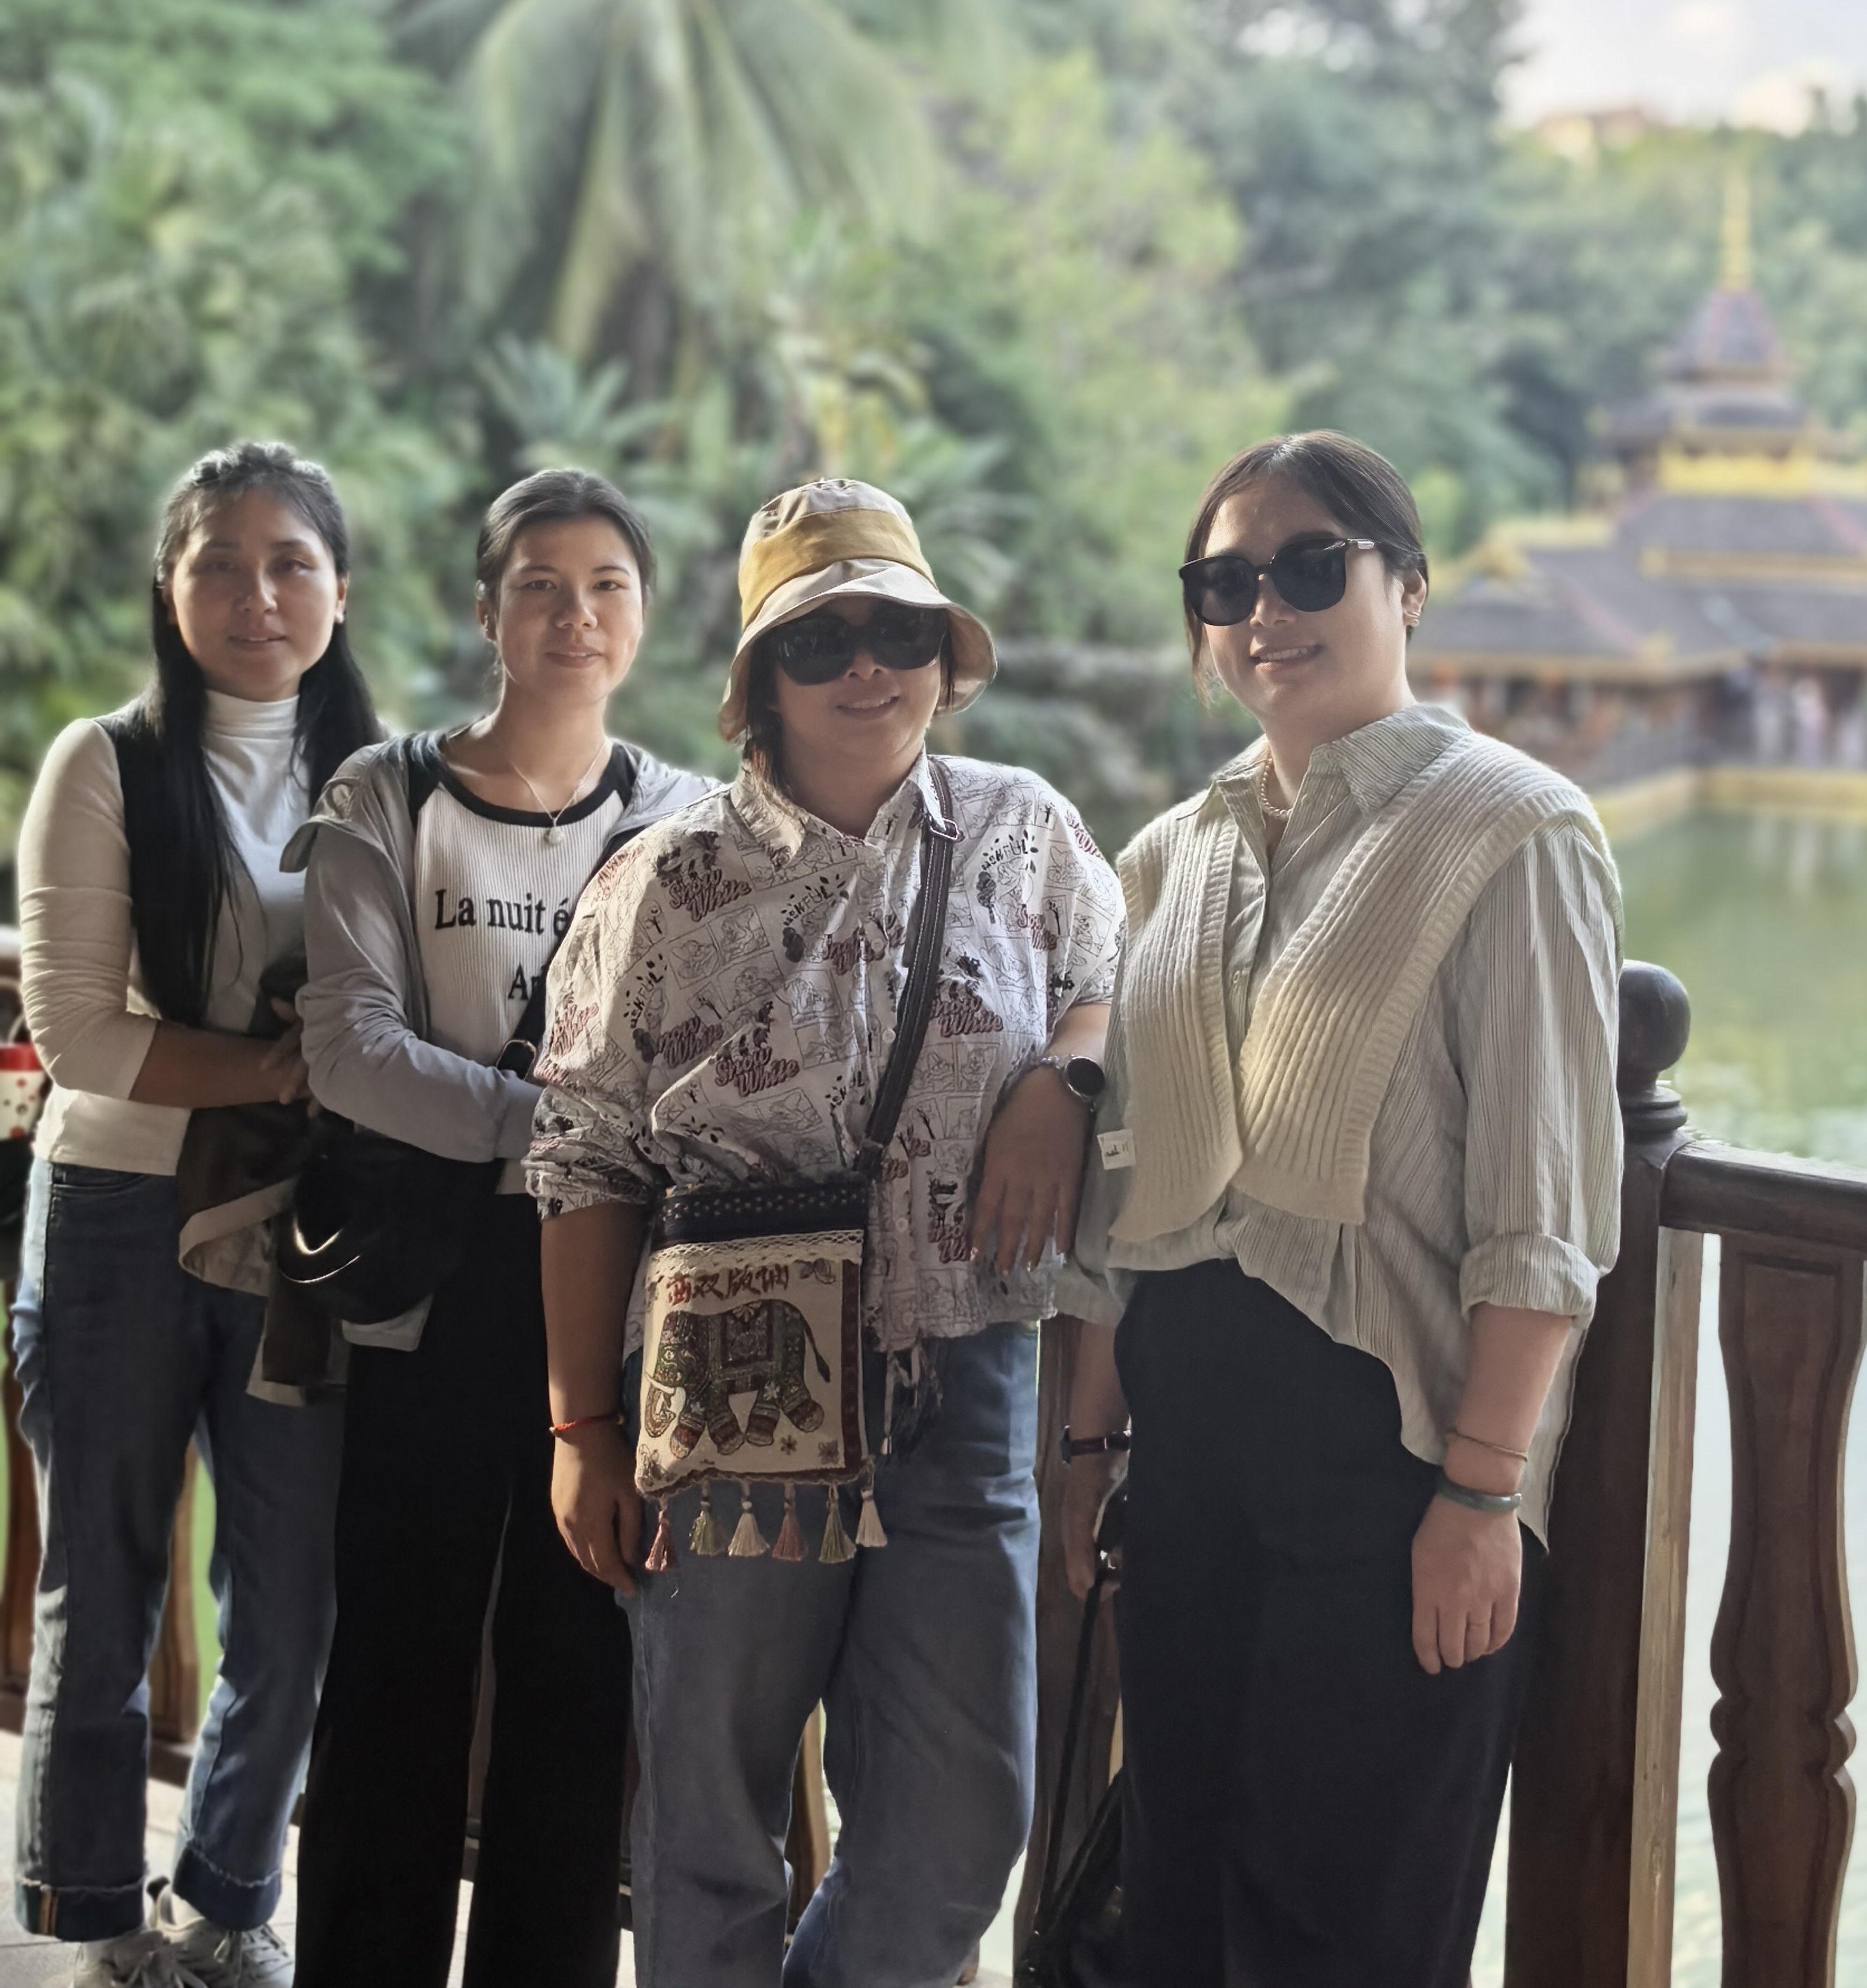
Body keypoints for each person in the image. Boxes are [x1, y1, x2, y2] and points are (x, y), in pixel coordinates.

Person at [528, 477, 1123, 1988]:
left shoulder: (1027, 829)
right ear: (762, 679)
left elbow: (1110, 981)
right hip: (737, 1385)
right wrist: (581, 1423)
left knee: (962, 1826)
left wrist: (1065, 1076)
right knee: (710, 1819)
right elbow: (584, 1158)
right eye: (821, 638)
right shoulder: (663, 879)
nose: (868, 664)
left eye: (900, 630)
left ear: (944, 650)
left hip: (966, 1377)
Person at [1060, 431, 1623, 1988]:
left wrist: (1483, 1491)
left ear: (1409, 585)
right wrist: (1090, 1450)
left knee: (1345, 1927)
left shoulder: (1511, 830)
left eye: (1314, 566)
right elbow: (1127, 1200)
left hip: (1390, 1467)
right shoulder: (1170, 856)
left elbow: (1544, 1205)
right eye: (1226, 581)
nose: (1267, 610)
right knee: (1177, 1911)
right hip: (1184, 1471)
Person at [288, 469, 710, 1988]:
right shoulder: (385, 796)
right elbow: (352, 1050)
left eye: (605, 584)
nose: (572, 613)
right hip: (428, 1284)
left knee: (577, 1663)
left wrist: (555, 1135)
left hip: (606, 1298)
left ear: (644, 614)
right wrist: (570, 1129)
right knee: (393, 1658)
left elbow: (701, 1059)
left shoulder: (685, 822)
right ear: (486, 609)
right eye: (539, 582)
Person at [13, 441, 381, 1988]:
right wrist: (286, 1067)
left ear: (341, 590)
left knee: (292, 1595)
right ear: (168, 590)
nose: (256, 591)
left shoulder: (385, 777)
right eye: (218, 560)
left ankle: (228, 1897)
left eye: (291, 560)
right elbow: (79, 1032)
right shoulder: (103, 762)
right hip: (115, 1203)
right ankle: (98, 1919)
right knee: (102, 1586)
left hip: (295, 1219)